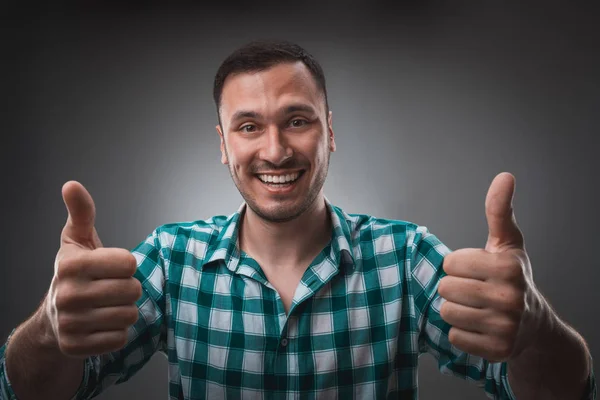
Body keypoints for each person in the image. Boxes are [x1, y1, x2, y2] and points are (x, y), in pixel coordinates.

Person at [0, 40, 595, 400]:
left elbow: (561, 394)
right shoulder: (170, 259)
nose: (276, 150)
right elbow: (34, 393)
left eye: (298, 120)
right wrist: (50, 333)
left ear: (330, 132)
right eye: (250, 126)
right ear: (224, 143)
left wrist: (535, 329)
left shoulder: (406, 258)